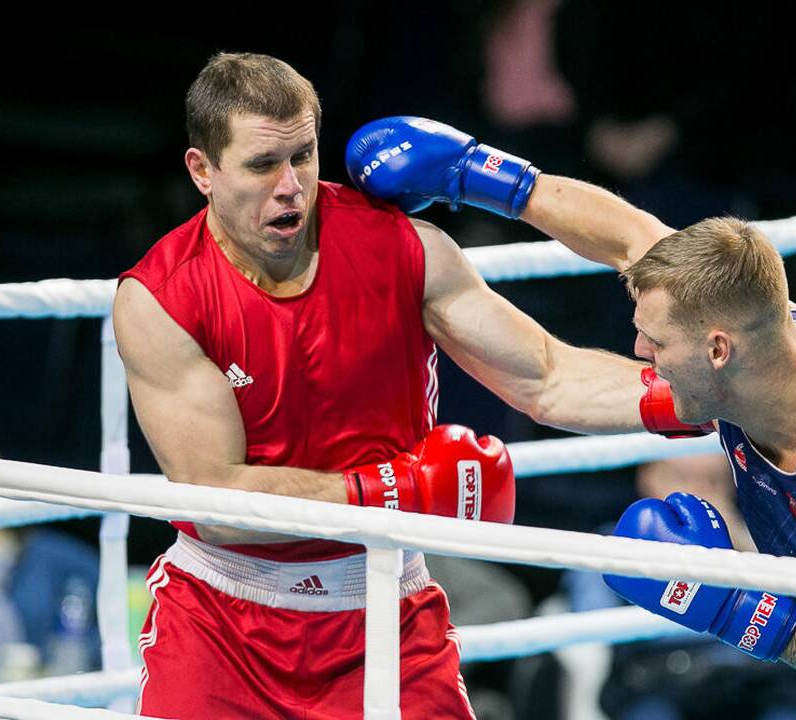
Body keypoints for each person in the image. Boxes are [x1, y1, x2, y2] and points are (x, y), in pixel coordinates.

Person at [346, 116, 796, 719]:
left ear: (716, 349)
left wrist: (727, 602)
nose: (638, 351)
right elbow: (630, 240)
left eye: (654, 340)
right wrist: (483, 173)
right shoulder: (755, 338)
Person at [112, 54, 659, 720]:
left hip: (381, 607)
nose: (290, 187)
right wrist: (392, 491)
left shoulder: (401, 247)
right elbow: (219, 501)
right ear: (203, 171)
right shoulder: (162, 298)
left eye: (304, 157)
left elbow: (547, 377)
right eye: (262, 165)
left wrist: (685, 399)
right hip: (223, 626)